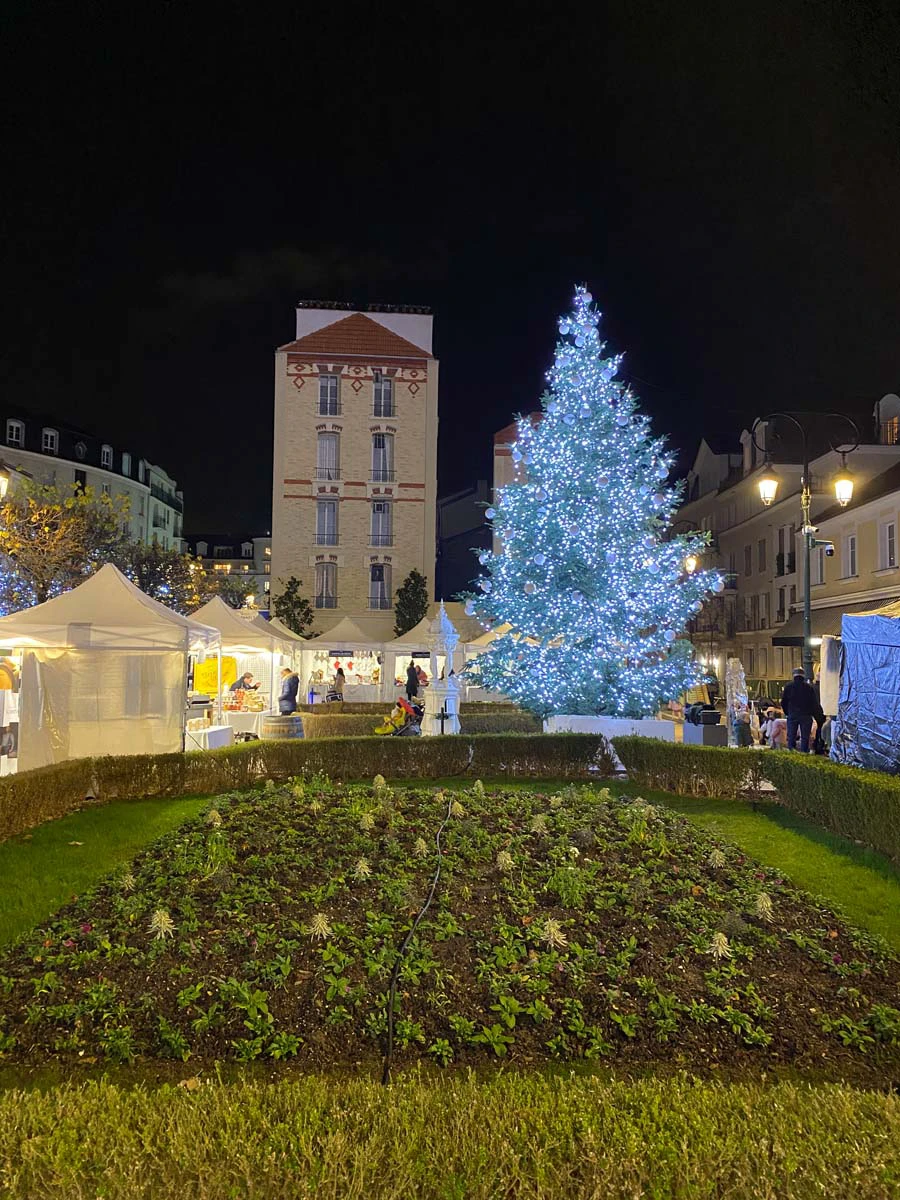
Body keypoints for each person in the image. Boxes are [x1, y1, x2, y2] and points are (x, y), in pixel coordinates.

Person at [781, 667, 818, 752]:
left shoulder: (788, 686)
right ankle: (804, 754)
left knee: (791, 736)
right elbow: (814, 703)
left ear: (794, 675)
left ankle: (792, 753)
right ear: (803, 676)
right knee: (805, 737)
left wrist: (788, 712)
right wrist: (812, 714)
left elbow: (784, 702)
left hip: (792, 714)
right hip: (806, 715)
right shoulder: (809, 688)